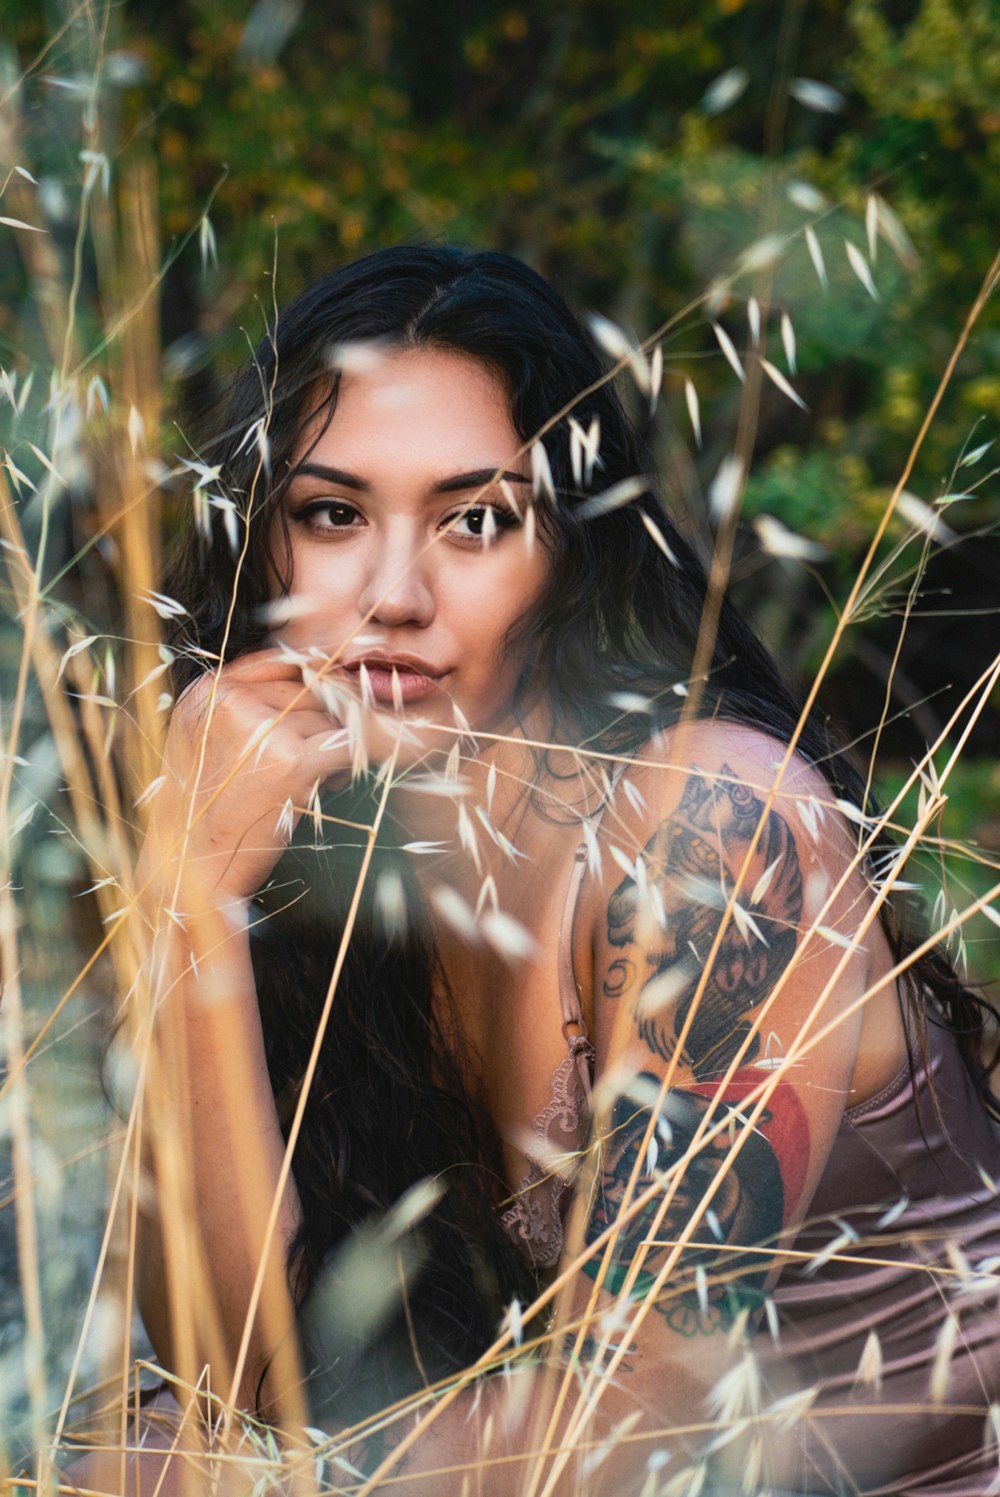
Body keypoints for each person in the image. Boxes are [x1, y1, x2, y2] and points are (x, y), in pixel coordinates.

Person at [77, 245, 1000, 1495]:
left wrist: (246, 1472)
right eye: (333, 514)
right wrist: (192, 902)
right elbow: (227, 1362)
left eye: (475, 520)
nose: (392, 595)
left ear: (569, 549)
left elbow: (637, 1427)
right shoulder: (357, 881)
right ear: (265, 547)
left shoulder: (709, 824)